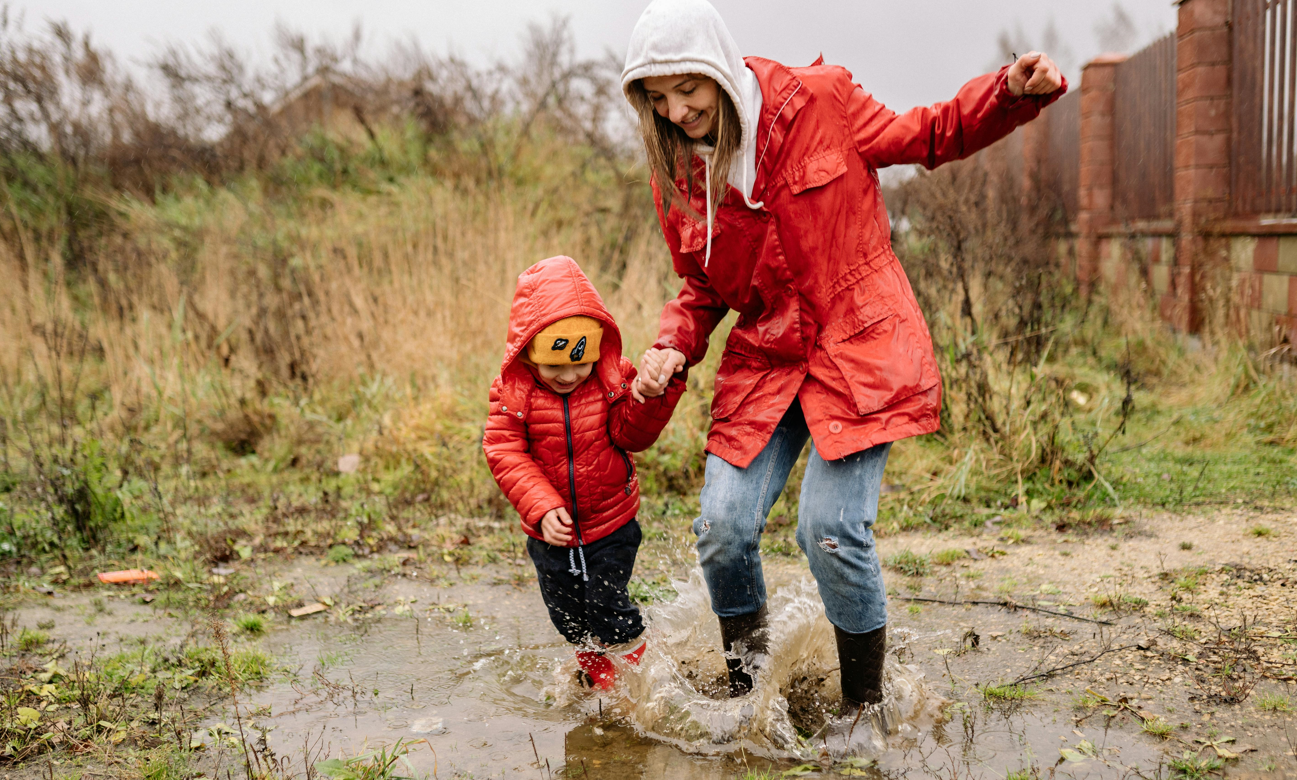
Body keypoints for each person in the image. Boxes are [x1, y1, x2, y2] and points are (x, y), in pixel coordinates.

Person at [620, 0, 1065, 712]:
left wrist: (1005, 93)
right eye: (657, 97)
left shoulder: (817, 102)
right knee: (721, 529)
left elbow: (927, 134)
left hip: (858, 344)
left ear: (717, 67)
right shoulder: (677, 169)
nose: (676, 110)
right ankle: (747, 696)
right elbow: (702, 284)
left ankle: (863, 710)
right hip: (767, 355)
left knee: (827, 530)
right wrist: (670, 345)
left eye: (688, 88)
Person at [483, 255, 687, 690]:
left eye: (580, 362)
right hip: (550, 532)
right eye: (554, 365)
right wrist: (541, 506)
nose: (570, 375)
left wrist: (648, 398)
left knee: (607, 606)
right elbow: (503, 449)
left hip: (611, 522)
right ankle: (600, 678)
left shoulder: (612, 379)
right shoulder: (513, 393)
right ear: (528, 352)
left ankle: (640, 681)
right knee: (568, 617)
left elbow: (631, 435)